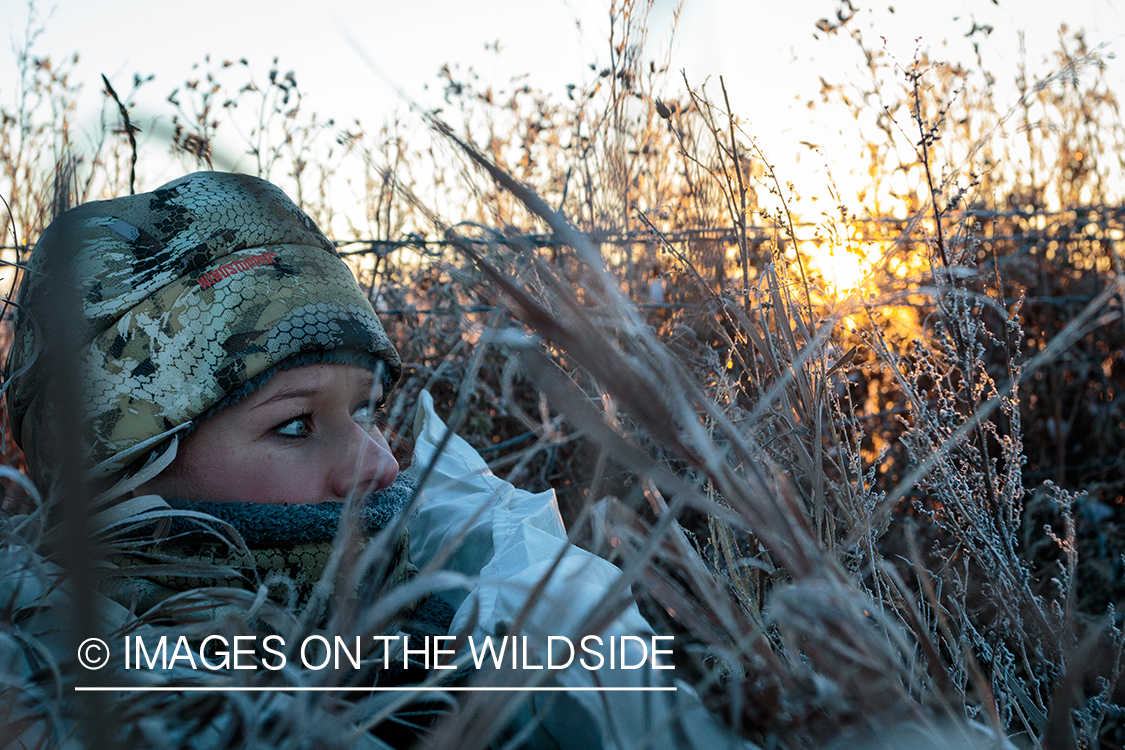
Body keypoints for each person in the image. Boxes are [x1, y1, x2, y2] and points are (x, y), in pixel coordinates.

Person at [3, 171, 746, 749]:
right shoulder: (63, 702)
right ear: (122, 474)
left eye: (362, 410)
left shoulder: (444, 624)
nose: (379, 465)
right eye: (295, 424)